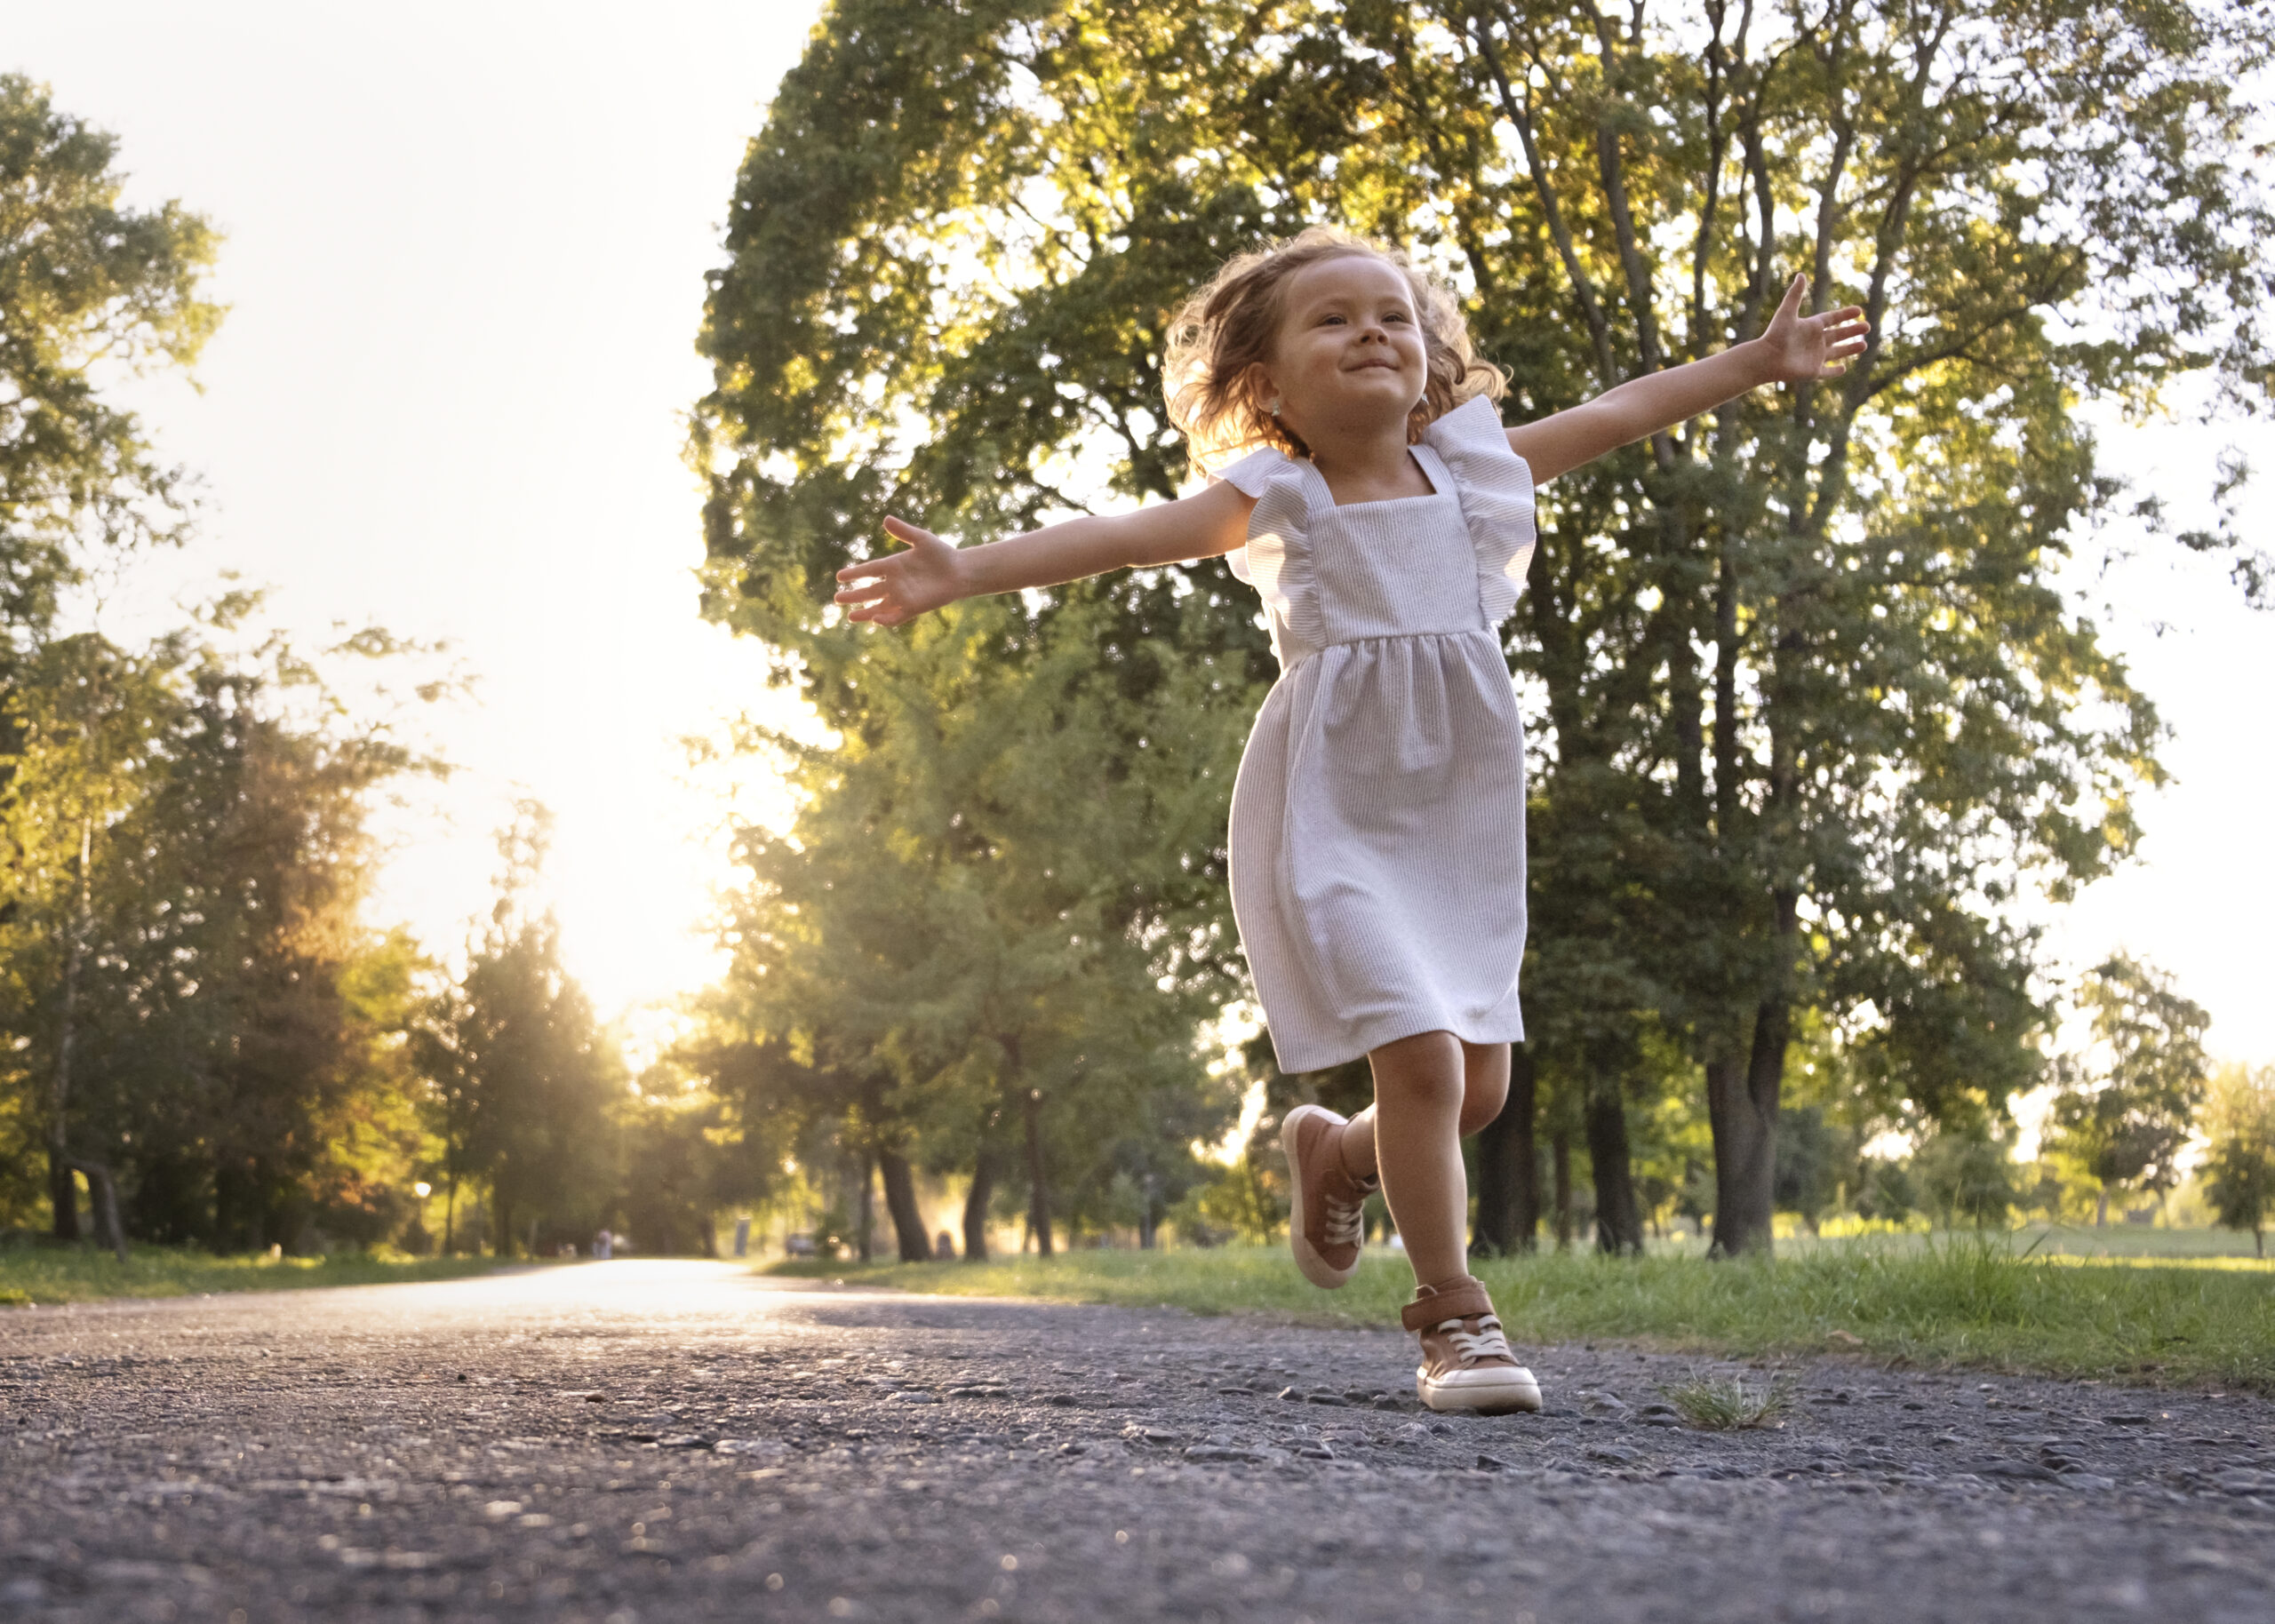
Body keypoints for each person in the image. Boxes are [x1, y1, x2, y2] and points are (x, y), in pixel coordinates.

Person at [834, 227, 1865, 1413]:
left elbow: (1621, 412)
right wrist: (963, 571)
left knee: (1473, 1093)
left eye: (1393, 315)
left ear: (1429, 361)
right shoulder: (1280, 496)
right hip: (1335, 810)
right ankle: (1456, 1319)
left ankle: (1332, 1151)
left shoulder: (1477, 471)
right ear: (1267, 386)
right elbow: (1120, 537)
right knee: (1423, 1060)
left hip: (1460, 817)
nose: (1372, 330)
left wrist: (1755, 360)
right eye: (1332, 319)